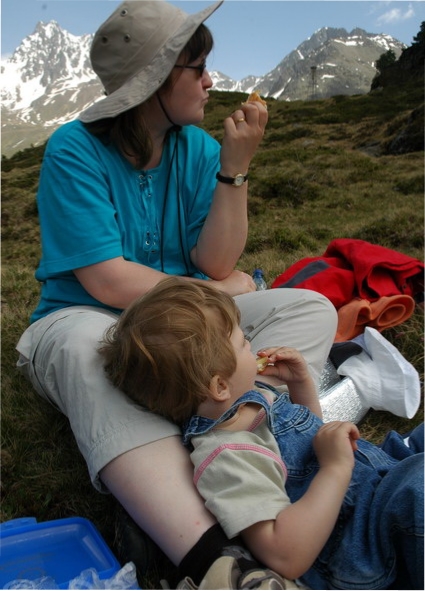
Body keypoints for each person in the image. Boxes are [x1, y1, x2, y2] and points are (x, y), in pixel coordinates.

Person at [15, 0, 338, 588]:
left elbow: (217, 263)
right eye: (198, 68)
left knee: (309, 307)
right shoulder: (73, 148)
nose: (211, 81)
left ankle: (231, 436)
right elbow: (108, 281)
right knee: (92, 352)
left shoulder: (198, 148)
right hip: (85, 315)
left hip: (188, 320)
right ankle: (217, 562)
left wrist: (234, 168)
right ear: (157, 79)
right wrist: (217, 292)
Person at [99, 276, 424, 591]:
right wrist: (335, 468)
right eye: (243, 342)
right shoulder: (229, 456)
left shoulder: (248, 400)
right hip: (366, 537)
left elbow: (307, 445)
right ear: (219, 386)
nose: (251, 346)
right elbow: (285, 554)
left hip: (378, 484)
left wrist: (300, 384)